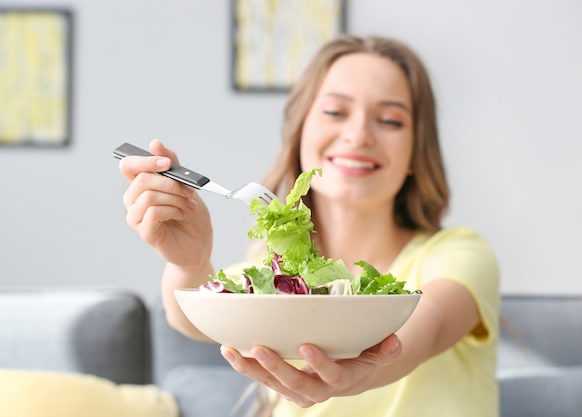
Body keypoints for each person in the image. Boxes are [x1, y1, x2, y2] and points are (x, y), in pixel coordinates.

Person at [119, 34, 500, 417]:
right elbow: (190, 317)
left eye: (389, 120)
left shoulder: (459, 255)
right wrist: (189, 261)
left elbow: (425, 328)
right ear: (300, 131)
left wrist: (362, 374)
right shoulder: (274, 274)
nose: (358, 135)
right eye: (335, 112)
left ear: (417, 151)